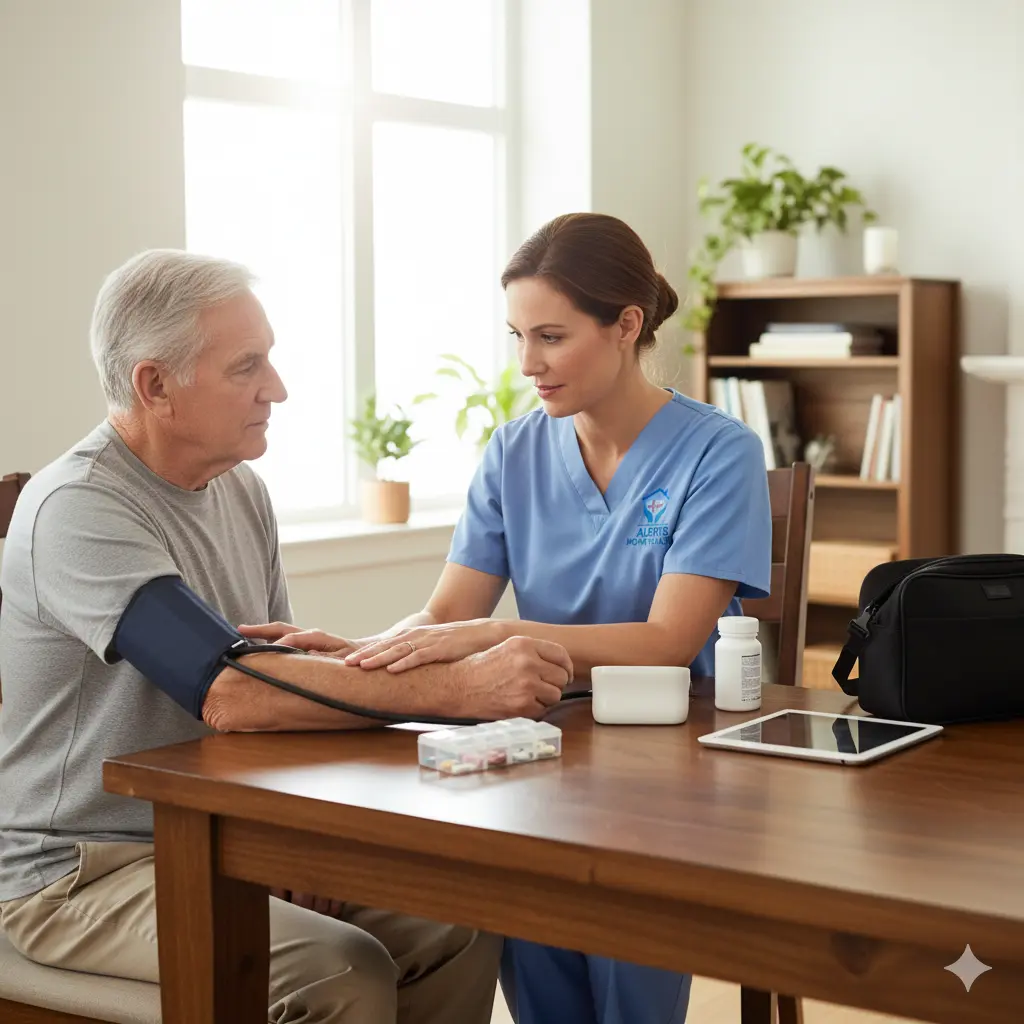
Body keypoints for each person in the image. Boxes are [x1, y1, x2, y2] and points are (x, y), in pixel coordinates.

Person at [0, 249, 575, 1024]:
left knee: (456, 920)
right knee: (338, 971)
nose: (278, 389)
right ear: (155, 385)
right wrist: (459, 690)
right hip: (77, 873)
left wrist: (295, 840)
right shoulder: (78, 506)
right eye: (248, 367)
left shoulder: (241, 490)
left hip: (210, 837)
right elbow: (234, 692)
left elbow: (286, 687)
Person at [243, 212, 773, 1024]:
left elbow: (670, 641)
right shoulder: (514, 450)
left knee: (628, 990)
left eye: (552, 337)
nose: (528, 364)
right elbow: (450, 612)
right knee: (534, 966)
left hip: (670, 771)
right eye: (518, 336)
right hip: (539, 753)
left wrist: (504, 635)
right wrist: (353, 652)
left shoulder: (718, 452)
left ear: (626, 325)